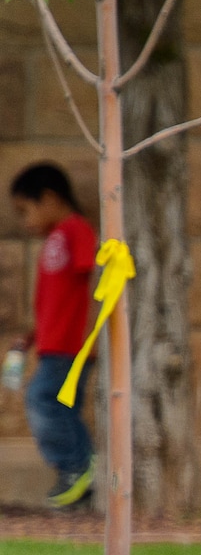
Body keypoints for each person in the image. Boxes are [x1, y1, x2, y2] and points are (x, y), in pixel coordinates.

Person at [9, 163, 97, 508]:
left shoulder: (76, 230)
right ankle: (80, 475)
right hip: (52, 345)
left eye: (24, 210)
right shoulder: (55, 238)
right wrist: (30, 336)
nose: (23, 220)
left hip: (71, 346)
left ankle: (77, 467)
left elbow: (93, 282)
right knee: (60, 406)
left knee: (43, 399)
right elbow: (53, 301)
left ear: (48, 198)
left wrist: (92, 335)